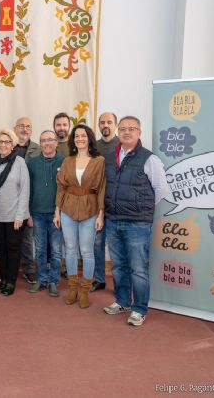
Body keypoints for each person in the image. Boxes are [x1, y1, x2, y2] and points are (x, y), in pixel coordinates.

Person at [102, 116, 168, 326]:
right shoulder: (110, 158)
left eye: (131, 128)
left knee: (138, 268)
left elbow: (161, 189)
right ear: (118, 132)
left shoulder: (149, 159)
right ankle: (122, 301)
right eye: (123, 129)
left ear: (139, 132)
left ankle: (139, 309)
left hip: (137, 223)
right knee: (118, 266)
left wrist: (141, 208)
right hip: (113, 220)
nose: (127, 132)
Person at [56, 124, 106, 308]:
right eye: (76, 136)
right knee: (70, 249)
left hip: (90, 209)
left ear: (89, 138)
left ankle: (85, 290)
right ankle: (72, 288)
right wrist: (57, 212)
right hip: (67, 209)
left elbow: (102, 188)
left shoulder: (99, 161)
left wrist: (100, 214)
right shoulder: (67, 161)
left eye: (83, 135)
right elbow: (61, 187)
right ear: (73, 140)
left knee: (86, 251)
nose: (80, 139)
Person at [0, 128, 30, 296]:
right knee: (0, 248)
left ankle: (11, 281)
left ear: (12, 144)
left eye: (7, 142)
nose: (3, 145)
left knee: (13, 249)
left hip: (15, 216)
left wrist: (20, 215)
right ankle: (4, 279)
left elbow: (25, 190)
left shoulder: (19, 162)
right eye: (0, 141)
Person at [27, 131, 64, 297]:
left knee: (56, 250)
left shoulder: (65, 161)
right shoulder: (33, 163)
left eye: (50, 140)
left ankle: (53, 281)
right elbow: (28, 189)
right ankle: (41, 279)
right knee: (40, 249)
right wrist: (28, 213)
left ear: (56, 142)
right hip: (37, 213)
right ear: (40, 144)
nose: (47, 143)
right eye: (43, 140)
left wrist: (61, 212)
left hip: (57, 214)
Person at [91, 111, 120, 292]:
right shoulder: (94, 147)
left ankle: (119, 283)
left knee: (116, 247)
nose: (105, 125)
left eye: (109, 122)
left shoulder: (122, 145)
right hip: (97, 205)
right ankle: (99, 279)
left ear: (115, 125)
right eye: (102, 122)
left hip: (117, 204)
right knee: (97, 244)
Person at [13, 117, 40, 284]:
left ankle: (29, 269)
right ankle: (8, 269)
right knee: (9, 238)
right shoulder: (7, 146)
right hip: (10, 201)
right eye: (21, 126)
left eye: (28, 126)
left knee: (27, 239)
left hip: (30, 200)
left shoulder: (38, 149)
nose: (24, 129)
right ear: (15, 128)